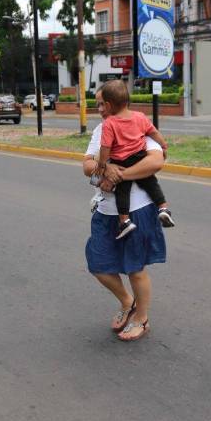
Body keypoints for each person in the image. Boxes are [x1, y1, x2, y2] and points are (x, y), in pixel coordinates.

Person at [83, 88, 167, 342]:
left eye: (101, 104)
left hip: (137, 211)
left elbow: (156, 161)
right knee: (98, 263)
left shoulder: (137, 124)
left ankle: (142, 318)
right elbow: (87, 165)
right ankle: (128, 302)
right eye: (97, 104)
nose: (99, 109)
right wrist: (104, 170)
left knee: (135, 268)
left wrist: (118, 175)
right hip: (105, 211)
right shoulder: (101, 129)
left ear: (112, 104)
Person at [93, 80, 174, 239]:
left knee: (122, 192)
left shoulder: (109, 123)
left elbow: (105, 147)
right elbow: (153, 132)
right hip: (140, 157)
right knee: (151, 183)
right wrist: (164, 145)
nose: (100, 108)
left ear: (108, 105)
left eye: (102, 104)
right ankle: (163, 208)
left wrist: (102, 164)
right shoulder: (140, 116)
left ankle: (124, 221)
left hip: (121, 162)